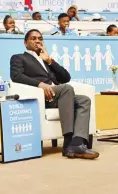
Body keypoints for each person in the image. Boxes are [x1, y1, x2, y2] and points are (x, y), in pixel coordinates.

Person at [10, 29, 99, 159]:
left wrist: (50, 60)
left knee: (84, 100)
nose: (37, 41)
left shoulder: (46, 59)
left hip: (59, 96)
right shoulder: (19, 58)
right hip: (41, 96)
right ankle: (68, 142)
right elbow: (16, 76)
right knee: (66, 89)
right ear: (25, 42)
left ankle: (77, 143)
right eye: (33, 39)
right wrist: (40, 84)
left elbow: (66, 77)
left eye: (40, 38)